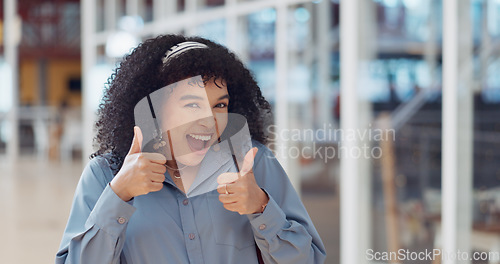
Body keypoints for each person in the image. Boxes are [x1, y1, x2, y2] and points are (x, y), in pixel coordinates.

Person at [56, 34, 326, 264]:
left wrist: (261, 207)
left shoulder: (253, 164)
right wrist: (119, 196)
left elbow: (309, 258)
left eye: (220, 105)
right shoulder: (106, 176)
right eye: (192, 104)